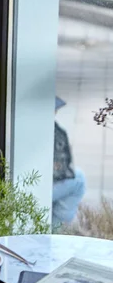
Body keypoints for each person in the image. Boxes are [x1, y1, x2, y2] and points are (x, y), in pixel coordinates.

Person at [52, 96, 86, 229]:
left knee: (77, 176)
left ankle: (53, 227)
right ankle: (54, 230)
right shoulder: (52, 131)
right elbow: (61, 169)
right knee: (79, 181)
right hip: (32, 186)